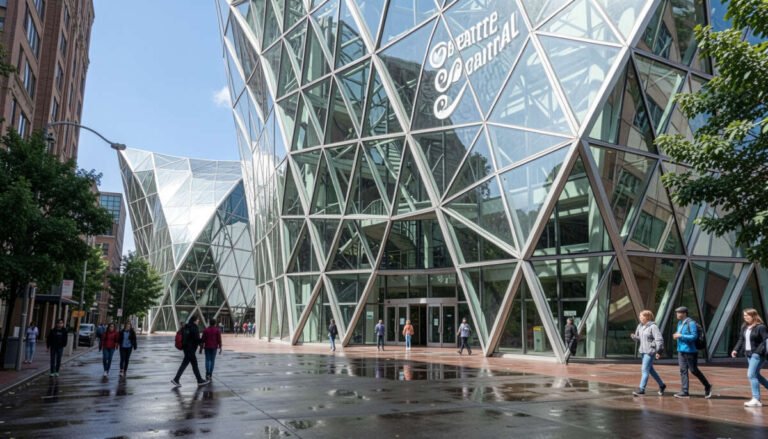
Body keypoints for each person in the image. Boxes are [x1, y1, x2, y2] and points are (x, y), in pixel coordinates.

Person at [731, 308, 768, 407]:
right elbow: (741, 339)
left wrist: (758, 352)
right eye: (744, 315)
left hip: (758, 354)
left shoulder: (761, 327)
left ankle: (756, 399)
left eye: (747, 315)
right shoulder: (744, 327)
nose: (745, 317)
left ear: (753, 316)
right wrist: (735, 349)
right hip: (748, 354)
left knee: (751, 375)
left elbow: (766, 340)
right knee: (756, 375)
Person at [673, 306, 712, 399]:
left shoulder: (691, 323)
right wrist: (677, 336)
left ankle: (707, 386)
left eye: (679, 312)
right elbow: (680, 334)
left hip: (690, 351)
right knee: (683, 370)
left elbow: (694, 336)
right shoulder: (680, 323)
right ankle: (685, 391)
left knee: (693, 370)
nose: (677, 314)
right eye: (677, 312)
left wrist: (681, 336)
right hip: (681, 350)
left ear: (684, 313)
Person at [630, 310, 666, 396]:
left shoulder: (653, 326)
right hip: (643, 351)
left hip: (650, 351)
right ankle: (662, 385)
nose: (639, 317)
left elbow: (659, 339)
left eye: (641, 316)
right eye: (640, 316)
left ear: (647, 317)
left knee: (644, 369)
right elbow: (641, 338)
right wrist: (634, 337)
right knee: (650, 370)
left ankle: (641, 389)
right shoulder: (641, 326)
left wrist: (659, 351)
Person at [171, 316, 209, 387]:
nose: (198, 321)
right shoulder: (194, 327)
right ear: (195, 320)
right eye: (198, 320)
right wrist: (203, 339)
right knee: (191, 365)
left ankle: (177, 379)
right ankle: (198, 380)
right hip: (190, 349)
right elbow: (197, 340)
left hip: (186, 348)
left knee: (191, 365)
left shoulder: (186, 326)